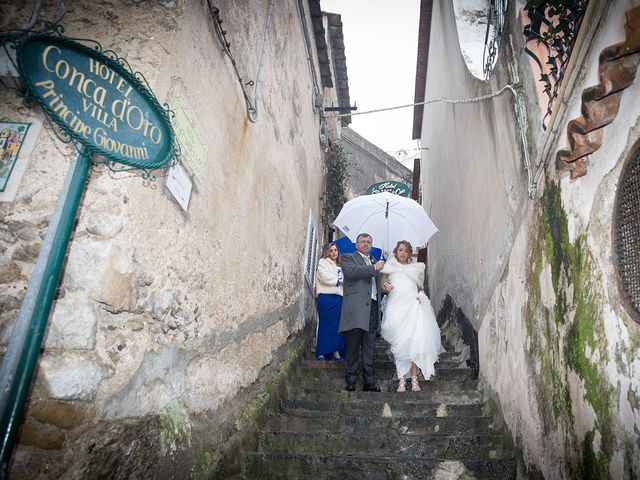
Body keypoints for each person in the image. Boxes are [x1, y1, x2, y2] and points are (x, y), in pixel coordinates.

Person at [380, 240, 444, 392]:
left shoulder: (416, 268)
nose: (403, 253)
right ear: (396, 251)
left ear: (409, 254)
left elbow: (419, 287)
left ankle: (414, 380)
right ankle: (402, 380)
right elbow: (383, 282)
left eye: (406, 251)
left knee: (415, 343)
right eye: (400, 250)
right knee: (399, 345)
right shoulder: (389, 267)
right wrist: (385, 285)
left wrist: (419, 297)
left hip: (412, 307)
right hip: (396, 308)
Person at [339, 233, 385, 392]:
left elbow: (375, 283)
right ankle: (351, 380)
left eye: (368, 242)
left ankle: (369, 382)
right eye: (362, 242)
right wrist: (374, 268)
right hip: (356, 309)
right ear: (356, 244)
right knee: (352, 346)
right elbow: (352, 273)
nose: (366, 244)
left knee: (369, 347)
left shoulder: (375, 260)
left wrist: (383, 286)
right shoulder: (347, 257)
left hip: (372, 307)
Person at [315, 242, 347, 361]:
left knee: (337, 326)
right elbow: (323, 276)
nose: (334, 252)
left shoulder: (341, 265)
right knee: (326, 324)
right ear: (327, 252)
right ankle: (322, 352)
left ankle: (335, 351)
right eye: (331, 250)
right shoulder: (323, 262)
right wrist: (338, 281)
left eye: (336, 250)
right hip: (326, 297)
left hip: (339, 298)